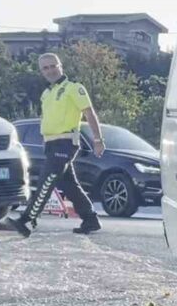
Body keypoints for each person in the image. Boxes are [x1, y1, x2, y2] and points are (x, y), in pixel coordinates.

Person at [7, 53, 104, 238]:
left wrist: (98, 140)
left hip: (66, 143)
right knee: (69, 185)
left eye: (53, 66)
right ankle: (90, 219)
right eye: (45, 68)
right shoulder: (46, 94)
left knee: (46, 180)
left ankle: (26, 219)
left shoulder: (74, 88)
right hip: (51, 144)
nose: (50, 70)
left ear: (61, 66)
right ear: (41, 71)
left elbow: (90, 113)